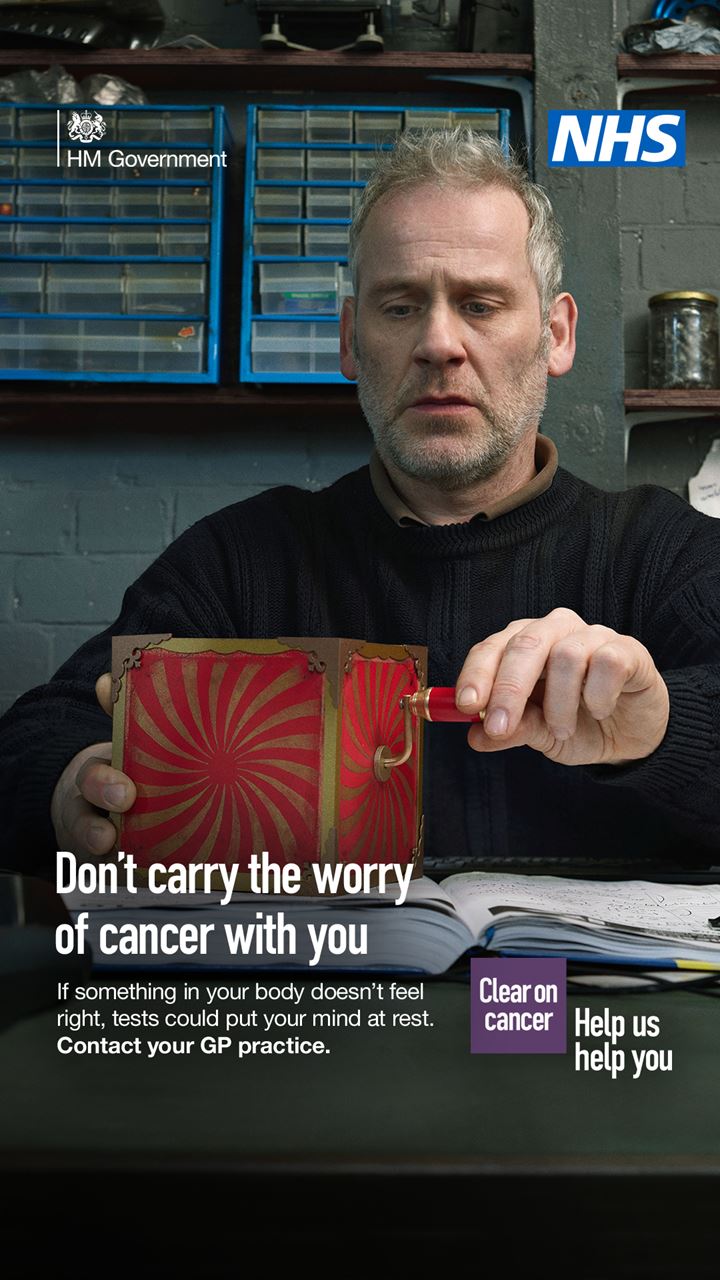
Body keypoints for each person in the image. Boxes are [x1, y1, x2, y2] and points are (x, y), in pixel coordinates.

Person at [1, 128, 719, 872]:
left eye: (480, 304)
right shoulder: (239, 563)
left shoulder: (665, 555)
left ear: (556, 335)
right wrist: (74, 786)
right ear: (349, 340)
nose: (439, 343)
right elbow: (41, 732)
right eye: (400, 307)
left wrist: (664, 725)